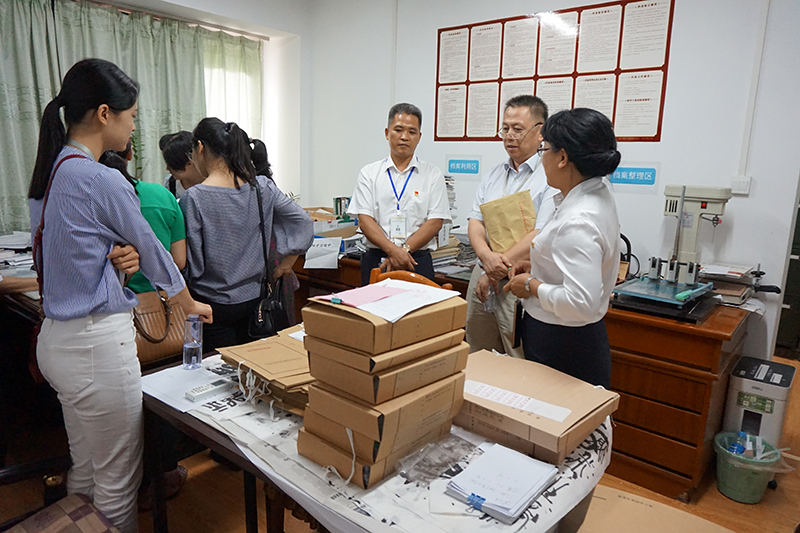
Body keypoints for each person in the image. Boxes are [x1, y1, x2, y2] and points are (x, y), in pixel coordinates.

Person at [28, 58, 212, 533]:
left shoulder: (54, 170)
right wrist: (187, 303)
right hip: (96, 348)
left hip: (58, 342)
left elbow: (69, 246)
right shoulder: (100, 177)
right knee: (117, 481)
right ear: (105, 113)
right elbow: (152, 247)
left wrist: (114, 252)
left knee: (86, 468)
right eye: (131, 116)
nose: (134, 126)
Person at [504, 108, 621, 388]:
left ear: (563, 157)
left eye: (544, 148)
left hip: (563, 343)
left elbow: (581, 304)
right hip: (572, 337)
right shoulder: (596, 190)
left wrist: (531, 285)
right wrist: (540, 267)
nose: (541, 156)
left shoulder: (579, 219)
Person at [181, 118, 313, 351]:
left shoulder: (194, 198)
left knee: (218, 374)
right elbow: (303, 222)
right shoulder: (261, 187)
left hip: (212, 304)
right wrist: (287, 262)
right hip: (256, 301)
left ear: (200, 148)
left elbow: (194, 264)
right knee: (255, 368)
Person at [466, 95, 557, 359]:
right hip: (483, 272)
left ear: (540, 131)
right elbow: (475, 220)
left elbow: (541, 231)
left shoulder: (550, 174)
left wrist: (496, 269)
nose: (509, 136)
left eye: (517, 129)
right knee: (478, 350)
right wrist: (485, 259)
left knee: (517, 355)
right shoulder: (494, 174)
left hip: (519, 277)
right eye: (505, 128)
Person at [347, 103, 450, 286]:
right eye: (398, 130)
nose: (404, 137)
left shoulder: (432, 174)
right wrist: (394, 251)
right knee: (374, 313)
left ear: (419, 137)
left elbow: (435, 222)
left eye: (412, 132)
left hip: (416, 260)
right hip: (376, 259)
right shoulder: (369, 174)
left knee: (420, 314)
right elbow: (365, 220)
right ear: (387, 133)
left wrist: (404, 250)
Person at [99, 144, 187, 292]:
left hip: (108, 300)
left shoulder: (89, 199)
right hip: (158, 301)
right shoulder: (161, 195)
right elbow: (178, 261)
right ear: (130, 154)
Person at [250, 138, 301, 327]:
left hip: (269, 258)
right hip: (276, 256)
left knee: (269, 312)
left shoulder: (260, 187)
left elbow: (302, 222)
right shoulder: (268, 184)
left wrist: (286, 264)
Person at [159, 131, 205, 198]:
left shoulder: (213, 182)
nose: (167, 168)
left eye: (172, 164)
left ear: (190, 161)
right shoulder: (171, 183)